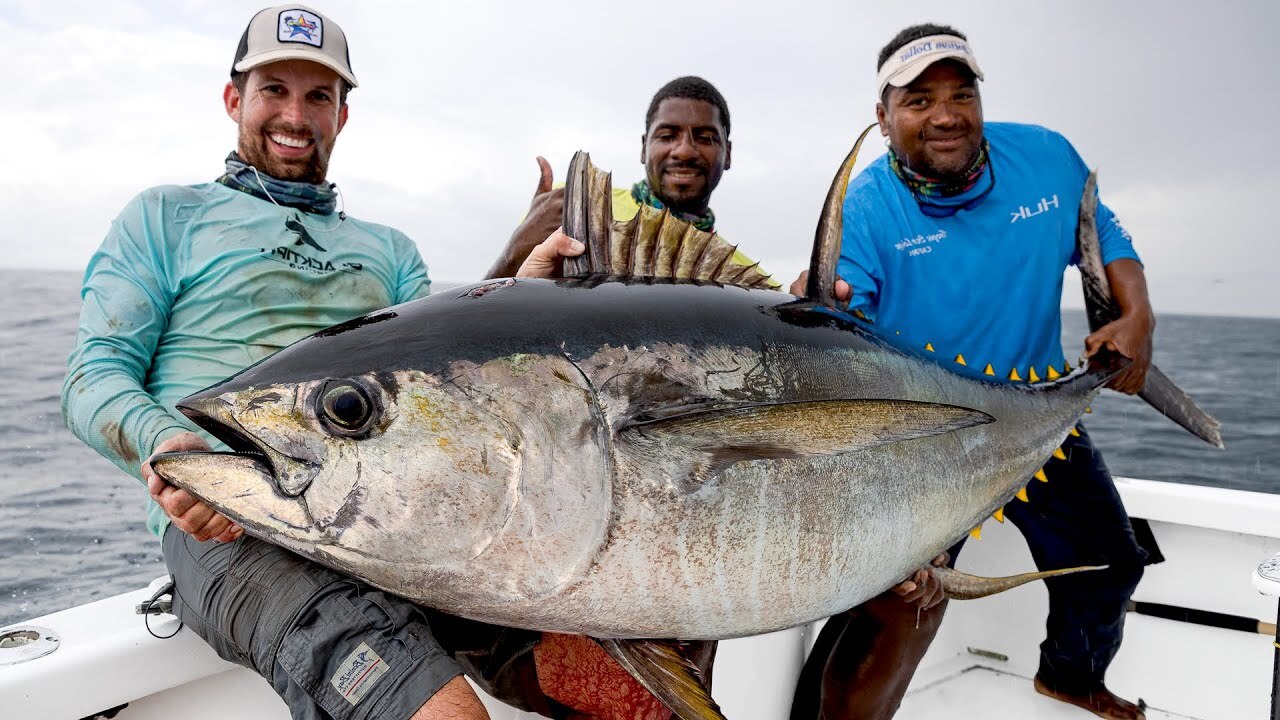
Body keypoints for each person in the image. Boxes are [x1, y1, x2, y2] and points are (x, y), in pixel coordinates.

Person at [60, 6, 581, 720]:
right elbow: (93, 375)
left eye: (318, 97)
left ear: (342, 115)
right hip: (234, 527)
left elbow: (438, 377)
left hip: (395, 521)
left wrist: (521, 295)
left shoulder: (390, 250)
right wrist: (168, 446)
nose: (295, 115)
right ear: (232, 98)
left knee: (613, 680)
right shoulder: (164, 217)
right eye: (274, 89)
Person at [789, 24, 1158, 720]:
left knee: (1113, 561)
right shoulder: (865, 207)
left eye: (962, 93)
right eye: (919, 99)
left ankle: (1070, 676)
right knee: (890, 601)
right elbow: (841, 306)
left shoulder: (1047, 158)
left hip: (1040, 416)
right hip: (926, 436)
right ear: (884, 116)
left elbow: (1103, 234)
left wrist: (1137, 315)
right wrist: (822, 302)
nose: (946, 113)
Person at [487, 75, 770, 283]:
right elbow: (485, 323)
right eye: (667, 135)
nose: (684, 150)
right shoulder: (574, 208)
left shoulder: (750, 281)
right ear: (644, 148)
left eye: (705, 137)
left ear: (728, 153)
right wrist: (515, 250)